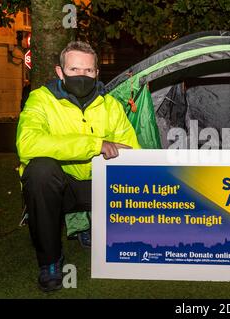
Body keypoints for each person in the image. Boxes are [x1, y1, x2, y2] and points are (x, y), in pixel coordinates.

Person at [16, 41, 141, 292]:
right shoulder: (41, 100)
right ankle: (50, 262)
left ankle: (100, 230)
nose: (81, 76)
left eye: (88, 71)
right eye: (74, 70)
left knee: (129, 170)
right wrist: (96, 144)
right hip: (61, 187)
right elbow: (28, 144)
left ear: (96, 73)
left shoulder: (111, 105)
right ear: (60, 72)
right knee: (40, 170)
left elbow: (131, 151)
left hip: (99, 185)